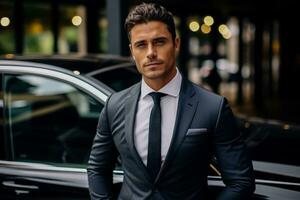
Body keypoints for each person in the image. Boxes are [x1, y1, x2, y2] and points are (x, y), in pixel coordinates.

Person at [87, 3, 255, 200]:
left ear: (176, 43)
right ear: (132, 50)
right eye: (141, 44)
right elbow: (97, 169)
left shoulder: (213, 107)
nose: (151, 52)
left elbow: (241, 181)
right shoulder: (114, 106)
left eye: (159, 42)